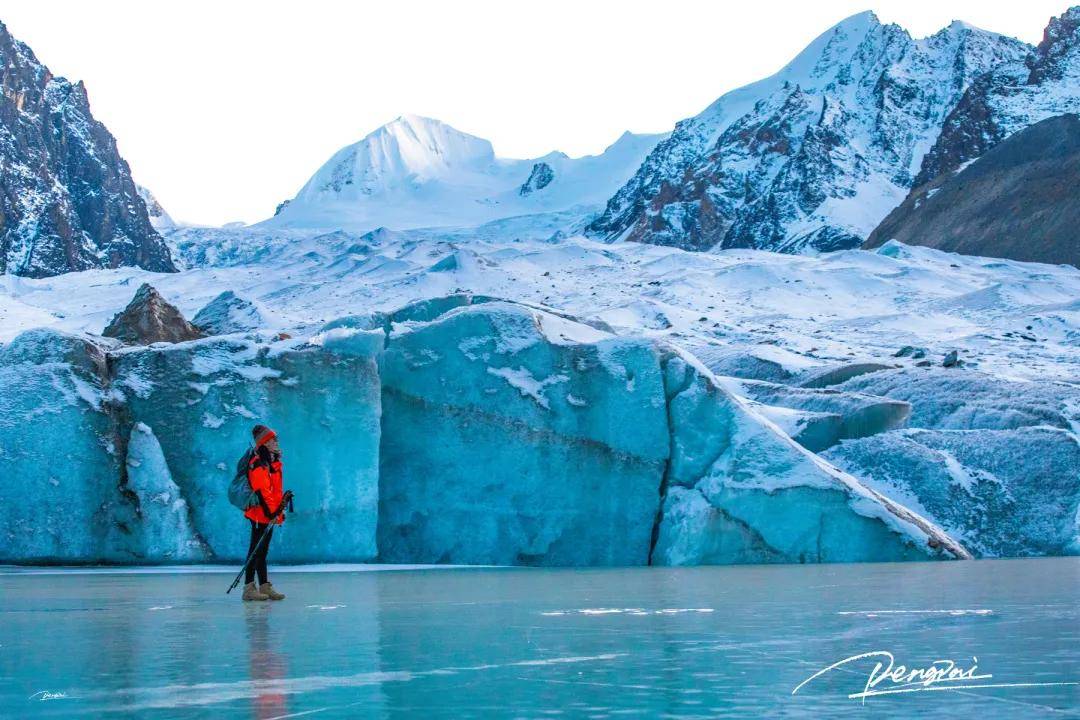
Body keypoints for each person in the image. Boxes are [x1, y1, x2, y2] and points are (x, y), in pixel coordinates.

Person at [242, 424, 292, 602]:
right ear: (264, 442)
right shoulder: (258, 463)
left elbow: (274, 491)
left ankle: (264, 585)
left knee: (262, 551)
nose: (276, 442)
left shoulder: (271, 462)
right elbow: (262, 491)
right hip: (259, 513)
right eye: (272, 439)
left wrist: (277, 511)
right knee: (255, 550)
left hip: (269, 512)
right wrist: (272, 512)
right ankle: (248, 588)